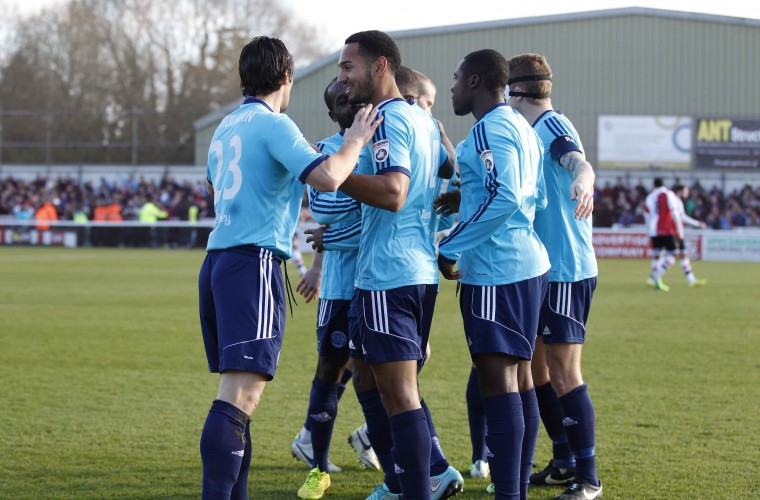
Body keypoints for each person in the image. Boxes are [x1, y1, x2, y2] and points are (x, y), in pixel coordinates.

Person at [197, 35, 380, 500]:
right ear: (286, 77)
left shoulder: (225, 127)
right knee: (239, 396)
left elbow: (214, 184)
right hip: (252, 263)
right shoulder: (275, 124)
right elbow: (329, 176)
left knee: (240, 399)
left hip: (218, 261)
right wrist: (356, 139)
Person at [336, 30, 463, 500]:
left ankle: (417, 486)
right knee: (366, 373)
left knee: (398, 391)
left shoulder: (389, 120)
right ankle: (407, 479)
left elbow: (393, 192)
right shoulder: (420, 119)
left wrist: (333, 169)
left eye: (349, 66)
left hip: (391, 273)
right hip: (404, 270)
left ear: (381, 65)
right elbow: (449, 170)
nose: (342, 76)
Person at [435, 48, 550, 500]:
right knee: (520, 380)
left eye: (458, 77)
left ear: (477, 81)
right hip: (528, 265)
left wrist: (452, 244)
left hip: (497, 272)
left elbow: (505, 198)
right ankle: (514, 490)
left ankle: (508, 494)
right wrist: (467, 199)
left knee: (497, 383)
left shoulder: (488, 128)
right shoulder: (521, 126)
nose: (453, 86)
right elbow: (529, 194)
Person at [506, 53, 602, 500]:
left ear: (517, 92)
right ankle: (563, 460)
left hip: (566, 269)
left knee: (563, 371)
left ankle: (590, 478)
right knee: (537, 368)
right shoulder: (530, 130)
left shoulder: (549, 126)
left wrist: (584, 177)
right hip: (544, 267)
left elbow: (576, 160)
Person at [292, 78, 380, 500]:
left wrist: (334, 236)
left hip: (384, 278)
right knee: (331, 367)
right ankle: (316, 464)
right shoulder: (326, 151)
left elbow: (388, 209)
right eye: (343, 101)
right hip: (343, 285)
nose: (354, 102)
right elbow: (326, 205)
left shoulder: (390, 140)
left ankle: (386, 451)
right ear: (333, 113)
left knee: (396, 370)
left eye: (356, 95)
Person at [644, 178, 683, 292]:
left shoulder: (649, 197)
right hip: (665, 229)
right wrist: (679, 229)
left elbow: (646, 217)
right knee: (673, 254)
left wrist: (649, 232)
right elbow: (674, 212)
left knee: (657, 256)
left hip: (653, 230)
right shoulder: (668, 194)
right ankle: (655, 277)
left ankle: (656, 281)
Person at [672, 184, 707, 288]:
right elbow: (682, 217)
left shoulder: (675, 200)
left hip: (674, 231)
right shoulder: (676, 201)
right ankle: (654, 277)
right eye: (686, 191)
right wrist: (697, 223)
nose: (687, 193)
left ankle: (691, 280)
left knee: (683, 254)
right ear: (680, 191)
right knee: (670, 256)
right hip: (674, 231)